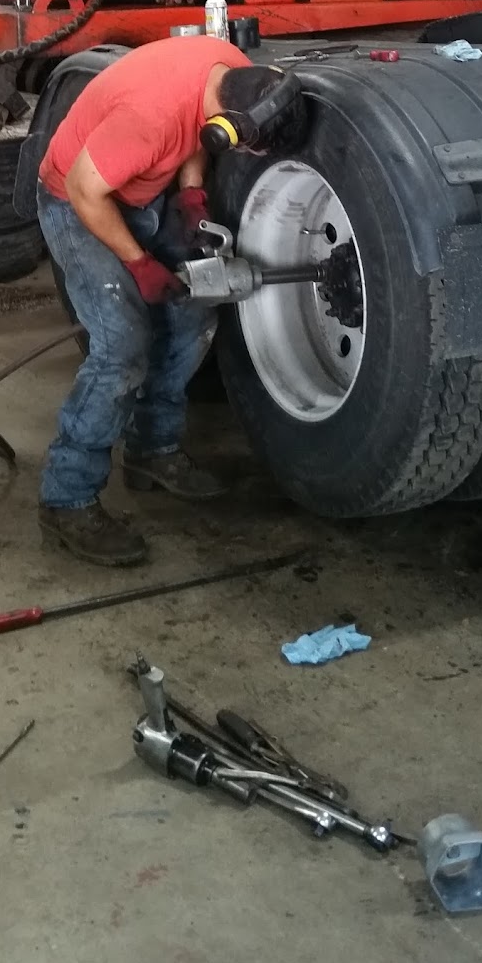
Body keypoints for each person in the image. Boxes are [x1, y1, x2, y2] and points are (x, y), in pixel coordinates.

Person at [36, 35, 285, 566]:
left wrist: (192, 194)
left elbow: (201, 129)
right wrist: (140, 264)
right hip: (75, 200)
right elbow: (85, 191)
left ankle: (153, 449)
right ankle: (67, 497)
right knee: (122, 345)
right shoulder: (147, 122)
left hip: (139, 189)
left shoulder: (233, 71)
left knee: (195, 309)